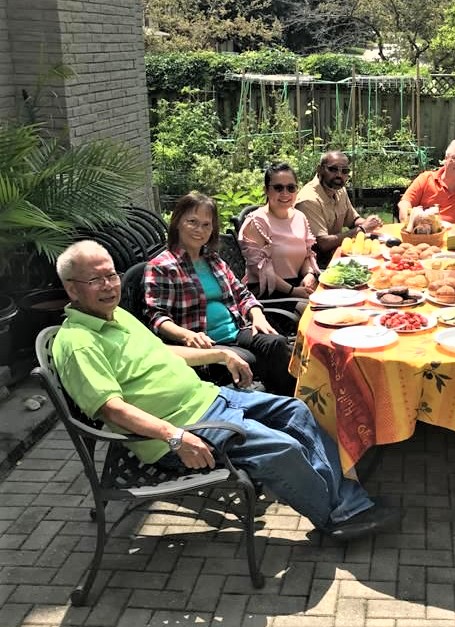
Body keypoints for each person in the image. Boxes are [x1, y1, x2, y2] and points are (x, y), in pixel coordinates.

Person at [52, 240, 400, 541]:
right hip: (184, 428)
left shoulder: (117, 316)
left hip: (209, 397)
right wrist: (174, 436)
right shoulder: (78, 343)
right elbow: (111, 409)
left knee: (296, 410)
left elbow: (164, 352)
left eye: (111, 275)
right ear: (72, 289)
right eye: (95, 280)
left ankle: (345, 500)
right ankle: (335, 516)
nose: (109, 286)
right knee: (282, 448)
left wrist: (220, 353)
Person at [144, 192, 296, 397]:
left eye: (206, 225)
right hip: (205, 342)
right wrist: (187, 335)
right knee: (263, 359)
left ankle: (292, 400)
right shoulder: (162, 266)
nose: (200, 230)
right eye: (192, 222)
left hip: (237, 330)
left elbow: (241, 293)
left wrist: (257, 316)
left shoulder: (213, 260)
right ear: (178, 222)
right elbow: (157, 317)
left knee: (276, 343)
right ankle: (277, 400)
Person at [238, 163, 320, 303]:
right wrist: (293, 291)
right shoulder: (256, 222)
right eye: (278, 188)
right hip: (269, 293)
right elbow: (260, 270)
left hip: (298, 286)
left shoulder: (300, 217)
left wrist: (309, 274)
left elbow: (306, 255)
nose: (285, 193)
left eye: (291, 188)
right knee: (317, 310)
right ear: (266, 190)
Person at [295, 151, 383, 267]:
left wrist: (370, 223)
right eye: (333, 169)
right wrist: (362, 229)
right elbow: (323, 244)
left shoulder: (339, 189)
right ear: (319, 169)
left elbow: (352, 220)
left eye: (344, 171)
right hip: (316, 265)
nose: (339, 175)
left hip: (337, 254)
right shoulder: (308, 200)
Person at [397, 138, 455, 227]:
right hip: (425, 233)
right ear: (446, 158)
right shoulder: (425, 179)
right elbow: (405, 203)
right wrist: (409, 224)